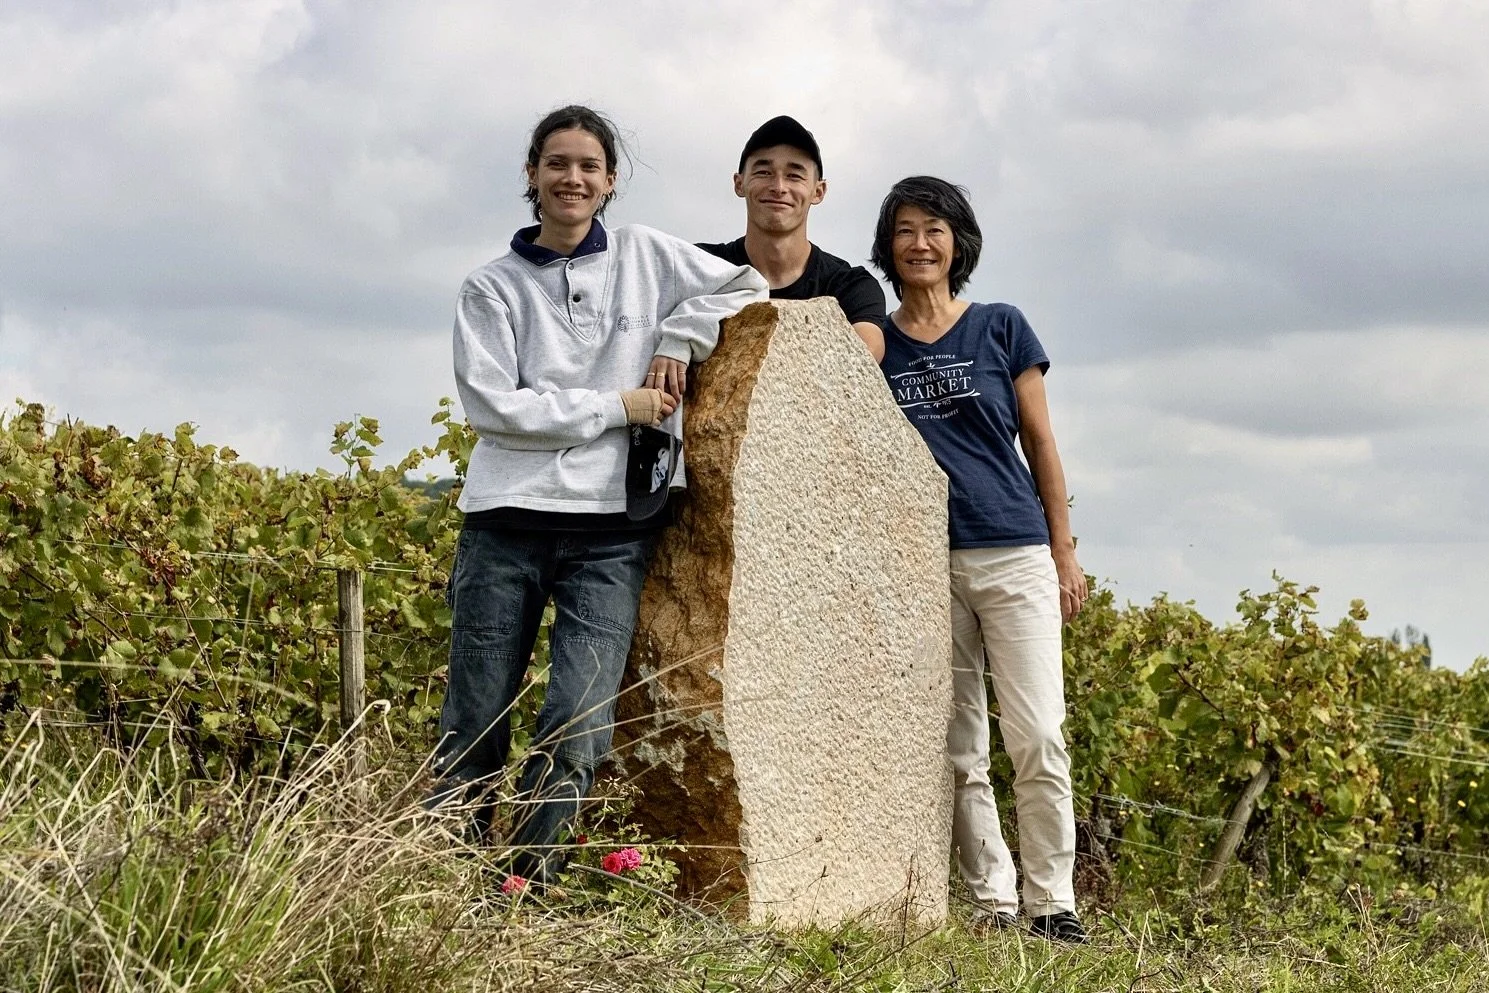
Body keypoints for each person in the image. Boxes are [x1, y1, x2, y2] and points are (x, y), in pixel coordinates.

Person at [431, 105, 768, 886]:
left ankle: (521, 883)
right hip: (503, 523)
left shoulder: (648, 256)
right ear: (531, 175)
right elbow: (494, 409)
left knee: (578, 722)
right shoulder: (490, 288)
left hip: (611, 530)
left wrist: (675, 339)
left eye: (588, 165)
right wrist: (617, 406)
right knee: (476, 717)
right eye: (556, 163)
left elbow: (745, 283)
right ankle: (443, 876)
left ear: (610, 180)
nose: (571, 178)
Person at [870, 176, 1090, 943]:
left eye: (933, 228)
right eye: (904, 229)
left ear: (958, 242)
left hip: (1015, 549)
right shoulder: (876, 343)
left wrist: (1063, 551)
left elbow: (1041, 443)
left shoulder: (1001, 325)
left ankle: (1051, 901)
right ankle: (994, 901)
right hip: (925, 566)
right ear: (886, 246)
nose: (919, 243)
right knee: (959, 743)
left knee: (1036, 733)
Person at [699, 116, 888, 359]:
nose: (778, 187)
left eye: (794, 175)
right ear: (739, 183)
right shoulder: (700, 268)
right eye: (764, 172)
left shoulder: (850, 287)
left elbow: (862, 360)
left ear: (818, 191)